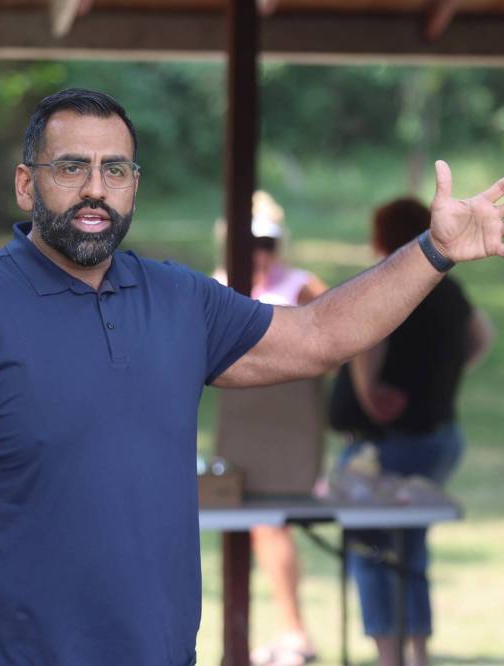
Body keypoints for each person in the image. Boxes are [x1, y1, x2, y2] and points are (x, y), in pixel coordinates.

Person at [0, 88, 504, 666]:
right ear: (28, 182)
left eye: (116, 170)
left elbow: (319, 335)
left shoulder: (179, 300)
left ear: (134, 186)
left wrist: (433, 252)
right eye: (72, 167)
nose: (96, 189)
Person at [329, 197, 495, 666]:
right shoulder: (450, 288)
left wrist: (368, 393)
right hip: (435, 434)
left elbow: (367, 336)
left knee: (373, 548)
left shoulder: (392, 282)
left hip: (389, 443)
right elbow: (483, 336)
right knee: (410, 550)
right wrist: (442, 375)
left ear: (381, 237)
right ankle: (417, 653)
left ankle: (389, 656)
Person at [214, 191, 327, 665]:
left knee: (268, 527)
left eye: (267, 241)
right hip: (239, 433)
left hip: (287, 434)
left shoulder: (302, 287)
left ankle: (293, 629)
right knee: (240, 531)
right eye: (251, 241)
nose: (260, 251)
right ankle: (248, 638)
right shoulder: (218, 287)